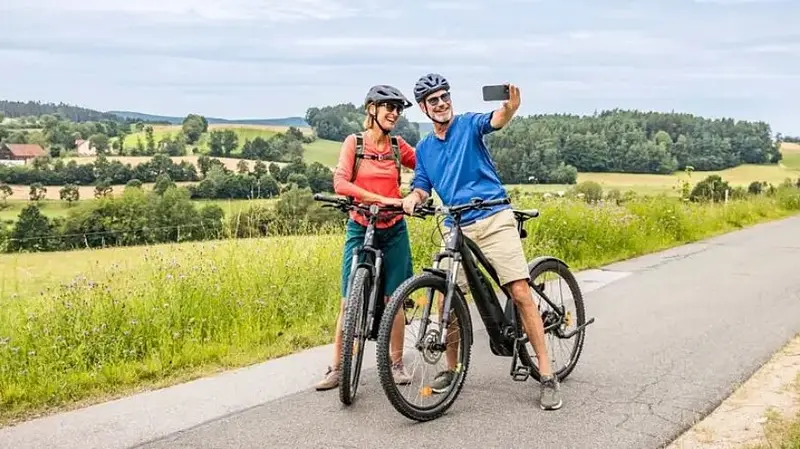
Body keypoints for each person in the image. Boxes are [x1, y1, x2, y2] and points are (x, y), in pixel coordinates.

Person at [400, 73, 562, 411]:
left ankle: (547, 374)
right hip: (455, 224)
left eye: (445, 97)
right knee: (448, 294)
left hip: (492, 217)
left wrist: (510, 108)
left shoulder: (470, 124)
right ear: (423, 108)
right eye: (434, 100)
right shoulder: (425, 149)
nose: (442, 103)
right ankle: (452, 367)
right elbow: (422, 185)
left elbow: (496, 119)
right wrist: (413, 198)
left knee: (519, 291)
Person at [315, 84, 416, 391]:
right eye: (389, 107)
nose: (395, 114)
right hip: (360, 226)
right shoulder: (354, 143)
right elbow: (340, 183)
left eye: (398, 109)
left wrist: (417, 194)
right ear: (371, 109)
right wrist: (377, 198)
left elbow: (426, 168)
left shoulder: (399, 147)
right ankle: (338, 366)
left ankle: (395, 363)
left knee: (394, 300)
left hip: (394, 228)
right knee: (348, 302)